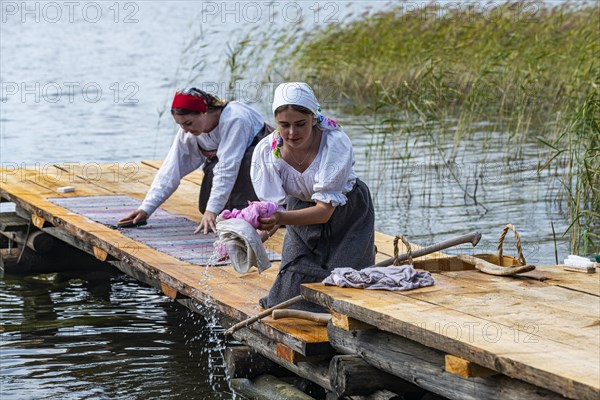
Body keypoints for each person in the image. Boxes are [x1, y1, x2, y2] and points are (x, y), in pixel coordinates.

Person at [251, 82, 375, 312]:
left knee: (344, 293)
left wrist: (279, 218)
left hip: (347, 213)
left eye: (300, 124)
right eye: (284, 125)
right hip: (298, 213)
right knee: (285, 298)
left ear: (313, 118)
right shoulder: (267, 151)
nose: (291, 133)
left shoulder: (334, 142)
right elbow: (273, 211)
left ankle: (361, 252)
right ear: (275, 121)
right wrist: (251, 241)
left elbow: (323, 212)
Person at [119, 87, 272, 234]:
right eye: (180, 124)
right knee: (206, 206)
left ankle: (273, 210)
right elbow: (171, 169)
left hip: (261, 164)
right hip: (226, 166)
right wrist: (146, 209)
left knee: (229, 211)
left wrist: (212, 211)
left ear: (204, 112)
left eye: (188, 123)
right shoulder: (188, 131)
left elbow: (227, 167)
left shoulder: (235, 118)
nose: (185, 130)